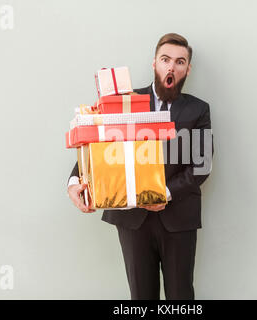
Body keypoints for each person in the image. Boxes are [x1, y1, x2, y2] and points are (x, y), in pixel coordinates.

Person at [67, 33, 213, 300]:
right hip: (132, 219)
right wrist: (75, 182)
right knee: (141, 297)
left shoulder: (198, 110)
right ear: (154, 63)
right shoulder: (126, 102)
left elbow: (201, 166)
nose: (171, 67)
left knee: (181, 296)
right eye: (165, 59)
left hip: (178, 217)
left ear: (188, 69)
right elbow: (98, 143)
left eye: (180, 62)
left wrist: (163, 193)